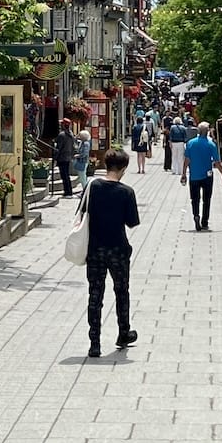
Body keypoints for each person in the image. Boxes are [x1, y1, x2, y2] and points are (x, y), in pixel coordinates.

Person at [84, 148, 140, 357]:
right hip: (118, 248)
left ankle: (94, 342)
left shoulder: (92, 187)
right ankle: (123, 332)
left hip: (95, 248)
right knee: (121, 291)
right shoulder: (126, 192)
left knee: (95, 294)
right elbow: (132, 222)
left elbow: (82, 213)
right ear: (124, 168)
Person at [180, 121, 222, 231]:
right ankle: (204, 221)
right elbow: (217, 162)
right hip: (207, 176)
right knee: (207, 199)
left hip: (194, 175)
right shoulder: (211, 144)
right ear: (207, 132)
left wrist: (183, 173)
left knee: (195, 199)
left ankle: (196, 215)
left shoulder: (191, 143)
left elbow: (187, 160)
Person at [54, 119, 76, 197]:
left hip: (62, 157)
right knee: (67, 175)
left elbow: (58, 148)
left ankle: (67, 192)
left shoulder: (62, 135)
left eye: (61, 124)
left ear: (63, 125)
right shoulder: (71, 134)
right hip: (68, 157)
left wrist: (55, 158)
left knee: (64, 175)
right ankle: (69, 191)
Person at [73, 128, 92, 193]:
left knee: (82, 177)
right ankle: (86, 189)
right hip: (82, 161)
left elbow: (84, 153)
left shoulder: (86, 143)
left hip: (83, 161)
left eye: (80, 135)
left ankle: (85, 190)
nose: (79, 137)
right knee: (83, 176)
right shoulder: (82, 142)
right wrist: (76, 136)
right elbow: (75, 140)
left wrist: (78, 155)